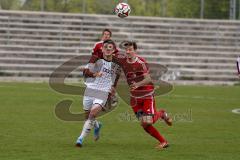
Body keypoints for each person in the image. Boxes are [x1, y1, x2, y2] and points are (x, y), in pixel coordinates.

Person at [113, 41, 173, 149]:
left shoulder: (141, 62)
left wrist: (137, 84)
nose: (128, 51)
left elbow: (148, 79)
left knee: (148, 121)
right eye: (126, 49)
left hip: (146, 95)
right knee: (144, 124)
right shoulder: (123, 61)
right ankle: (163, 142)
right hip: (135, 98)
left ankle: (162, 114)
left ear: (135, 50)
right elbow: (113, 55)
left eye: (130, 49)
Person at [76, 40, 121, 147]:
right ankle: (97, 125)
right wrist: (95, 74)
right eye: (106, 47)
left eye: (110, 47)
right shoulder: (95, 59)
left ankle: (80, 139)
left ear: (114, 50)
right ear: (102, 49)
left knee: (92, 114)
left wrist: (112, 92)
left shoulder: (116, 65)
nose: (108, 49)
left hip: (103, 92)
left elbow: (115, 80)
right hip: (90, 89)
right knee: (87, 116)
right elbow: (85, 72)